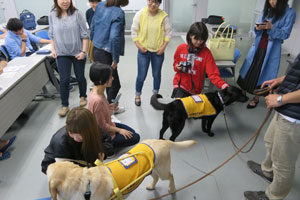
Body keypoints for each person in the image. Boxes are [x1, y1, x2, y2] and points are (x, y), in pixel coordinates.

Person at [244, 53, 300, 200]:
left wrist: (281, 99)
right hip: (287, 106)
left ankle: (273, 196)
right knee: (270, 140)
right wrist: (281, 81)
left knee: (283, 163)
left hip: (295, 117)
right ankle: (268, 172)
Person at [237, 0, 296, 109]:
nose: (271, 2)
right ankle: (242, 92)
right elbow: (258, 25)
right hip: (258, 45)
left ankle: (256, 98)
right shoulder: (267, 9)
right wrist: (257, 28)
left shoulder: (290, 13)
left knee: (262, 74)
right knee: (249, 69)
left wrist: (272, 27)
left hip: (271, 50)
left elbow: (285, 34)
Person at [41, 107, 113, 174]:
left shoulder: (92, 128)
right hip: (68, 169)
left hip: (86, 161)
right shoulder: (61, 142)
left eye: (77, 134)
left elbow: (106, 141)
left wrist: (103, 152)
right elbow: (49, 167)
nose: (71, 135)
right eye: (70, 132)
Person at [49, 0, 89, 117]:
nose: (65, 1)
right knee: (64, 80)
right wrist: (53, 49)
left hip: (78, 52)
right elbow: (51, 34)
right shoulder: (52, 15)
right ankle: (65, 105)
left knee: (80, 76)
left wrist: (83, 51)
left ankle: (83, 96)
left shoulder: (77, 14)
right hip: (62, 53)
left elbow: (85, 35)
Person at [87, 63, 140, 148]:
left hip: (110, 123)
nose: (112, 78)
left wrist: (111, 106)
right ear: (101, 81)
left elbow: (102, 110)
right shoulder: (97, 100)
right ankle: (105, 147)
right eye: (110, 77)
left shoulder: (97, 90)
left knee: (132, 132)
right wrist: (119, 130)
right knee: (136, 137)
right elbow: (102, 126)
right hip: (105, 134)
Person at [90, 0, 129, 114]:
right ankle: (108, 111)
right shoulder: (118, 13)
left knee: (102, 81)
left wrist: (93, 43)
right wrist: (115, 59)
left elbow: (93, 25)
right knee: (114, 85)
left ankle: (108, 108)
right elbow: (113, 37)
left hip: (96, 48)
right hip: (106, 53)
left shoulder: (100, 5)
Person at [131, 0, 172, 106]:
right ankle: (137, 95)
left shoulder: (164, 17)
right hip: (143, 51)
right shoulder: (140, 14)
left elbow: (168, 33)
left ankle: (155, 96)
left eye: (157, 2)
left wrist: (163, 47)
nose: (153, 4)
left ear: (159, 4)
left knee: (156, 75)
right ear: (148, 1)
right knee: (141, 75)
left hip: (158, 52)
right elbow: (134, 31)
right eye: (151, 1)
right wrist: (139, 46)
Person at [172, 22, 229, 98]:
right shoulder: (181, 48)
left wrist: (224, 86)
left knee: (192, 109)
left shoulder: (206, 53)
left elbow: (213, 74)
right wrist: (177, 67)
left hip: (195, 89)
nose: (199, 42)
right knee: (180, 107)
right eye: (196, 39)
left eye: (201, 40)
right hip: (180, 84)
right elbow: (175, 64)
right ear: (190, 36)